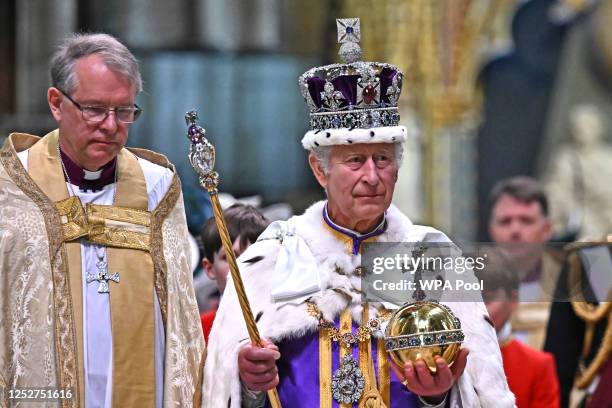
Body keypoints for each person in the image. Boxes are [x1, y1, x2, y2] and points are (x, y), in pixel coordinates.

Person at [202, 18, 514, 407]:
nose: (371, 176)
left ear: (397, 167)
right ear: (320, 170)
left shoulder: (431, 254)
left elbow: (478, 391)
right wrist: (249, 381)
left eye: (382, 158)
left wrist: (436, 397)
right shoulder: (278, 252)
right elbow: (226, 389)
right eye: (354, 160)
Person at [0, 33, 204, 407]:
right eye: (94, 109)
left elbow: (181, 324)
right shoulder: (12, 188)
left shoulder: (158, 188)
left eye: (124, 111)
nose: (110, 126)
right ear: (57, 103)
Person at [476, 249, 561, 408]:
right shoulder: (444, 357)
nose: (477, 309)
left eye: (486, 298)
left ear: (513, 300)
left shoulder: (538, 365)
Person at [488, 176, 563, 350]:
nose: (515, 230)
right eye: (505, 221)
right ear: (492, 230)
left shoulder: (572, 277)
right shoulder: (471, 281)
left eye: (526, 220)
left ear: (547, 229)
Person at [199, 203, 270, 342]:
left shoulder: (289, 327)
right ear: (209, 268)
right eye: (229, 257)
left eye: (253, 255)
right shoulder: (198, 332)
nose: (242, 266)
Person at [544, 104, 612, 240]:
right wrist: (576, 214)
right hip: (575, 219)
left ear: (598, 128)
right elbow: (556, 191)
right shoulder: (566, 157)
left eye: (588, 125)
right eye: (578, 126)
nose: (581, 129)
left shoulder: (607, 158)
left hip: (603, 219)